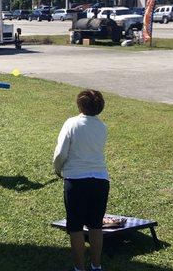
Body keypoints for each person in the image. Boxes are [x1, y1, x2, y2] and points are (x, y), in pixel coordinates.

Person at [53, 90, 109, 271]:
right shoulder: (102, 126)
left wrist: (57, 168)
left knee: (75, 227)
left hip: (76, 180)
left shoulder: (71, 123)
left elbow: (61, 152)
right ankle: (96, 265)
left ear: (80, 105)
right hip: (100, 181)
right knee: (95, 225)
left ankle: (79, 268)